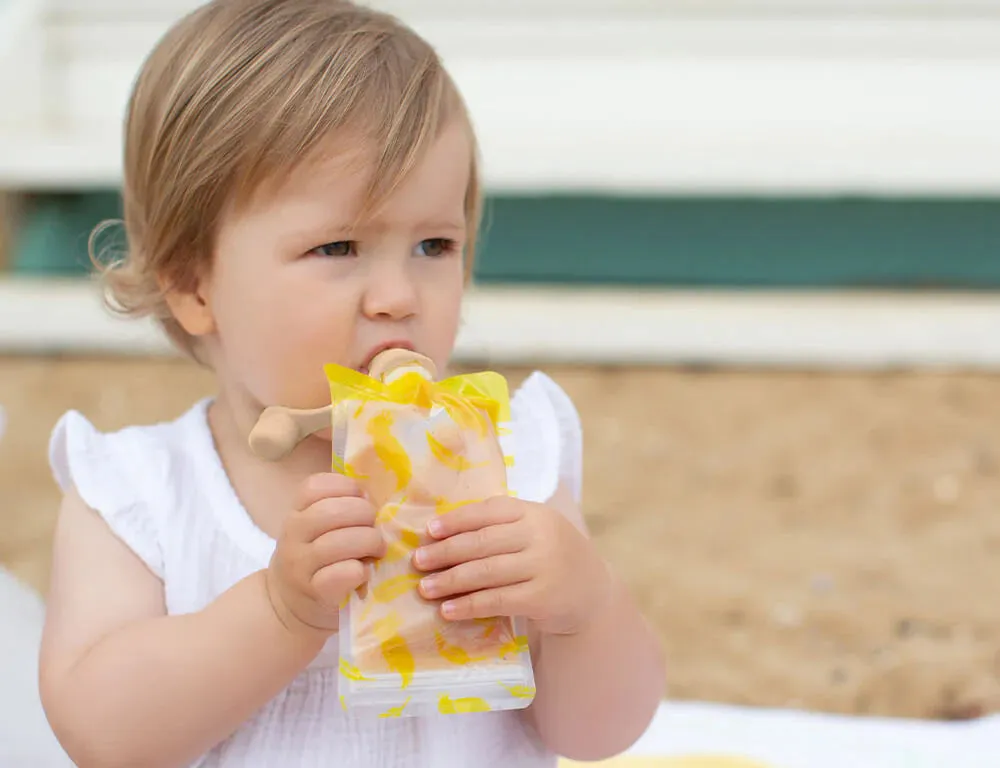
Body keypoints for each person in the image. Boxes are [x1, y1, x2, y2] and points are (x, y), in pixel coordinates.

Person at [38, 1, 664, 766]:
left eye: (434, 243)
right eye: (338, 246)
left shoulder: (506, 462)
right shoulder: (139, 495)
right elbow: (101, 736)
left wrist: (584, 607)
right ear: (192, 284)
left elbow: (600, 735)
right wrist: (281, 610)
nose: (398, 294)